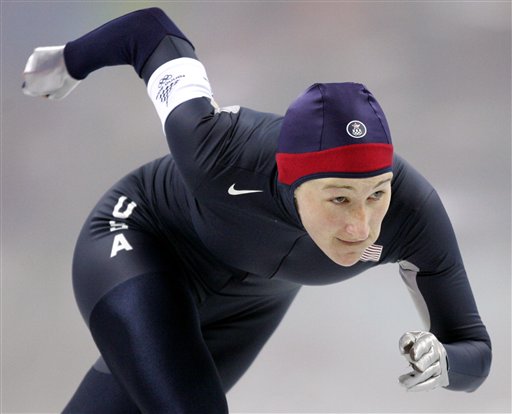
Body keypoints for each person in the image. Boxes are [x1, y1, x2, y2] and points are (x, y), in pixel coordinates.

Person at [22, 8, 492, 414]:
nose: (362, 226)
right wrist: (68, 61)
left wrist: (446, 361)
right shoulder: (218, 147)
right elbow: (150, 31)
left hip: (251, 301)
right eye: (339, 199)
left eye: (376, 194)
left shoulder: (412, 213)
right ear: (289, 180)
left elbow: (476, 351)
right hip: (141, 242)